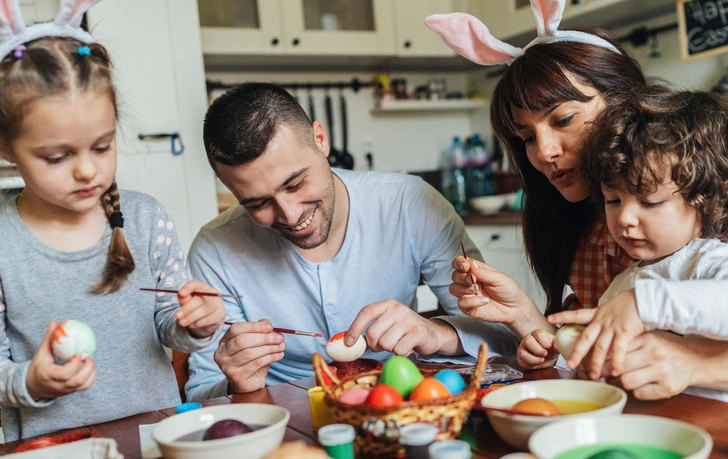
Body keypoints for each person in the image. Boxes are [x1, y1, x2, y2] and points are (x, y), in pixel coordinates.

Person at [427, 0, 728, 400]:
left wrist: (695, 361)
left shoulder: (702, 212)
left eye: (563, 119)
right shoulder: (592, 238)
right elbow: (591, 354)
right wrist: (523, 316)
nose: (544, 153)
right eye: (527, 138)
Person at [184, 83, 519, 401]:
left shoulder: (409, 204)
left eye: (296, 184)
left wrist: (439, 334)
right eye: (257, 203)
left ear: (320, 140)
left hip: (401, 413)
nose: (288, 214)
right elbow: (199, 393)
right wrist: (234, 383)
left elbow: (506, 337)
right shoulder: (215, 249)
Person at [0, 0, 226, 441]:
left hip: (159, 444)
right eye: (57, 156)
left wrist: (196, 323)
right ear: (7, 149)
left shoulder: (146, 219)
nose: (86, 170)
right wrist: (31, 382)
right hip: (53, 454)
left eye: (101, 147)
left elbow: (168, 325)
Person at [540, 87, 728, 402]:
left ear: (709, 201)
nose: (625, 217)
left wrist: (643, 305)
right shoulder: (623, 285)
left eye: (650, 202)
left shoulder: (711, 260)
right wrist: (562, 354)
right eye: (613, 200)